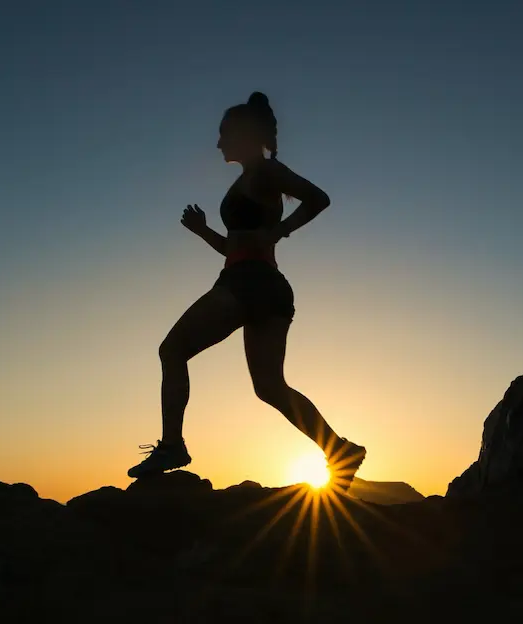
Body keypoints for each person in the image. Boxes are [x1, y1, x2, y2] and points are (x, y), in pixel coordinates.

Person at [128, 91, 366, 492]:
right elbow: (236, 247)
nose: (218, 143)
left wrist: (281, 230)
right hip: (266, 286)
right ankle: (340, 450)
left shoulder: (265, 172)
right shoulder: (250, 178)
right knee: (270, 387)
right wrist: (205, 232)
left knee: (172, 350)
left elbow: (318, 198)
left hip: (248, 283)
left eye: (224, 135)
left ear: (243, 134)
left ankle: (172, 446)